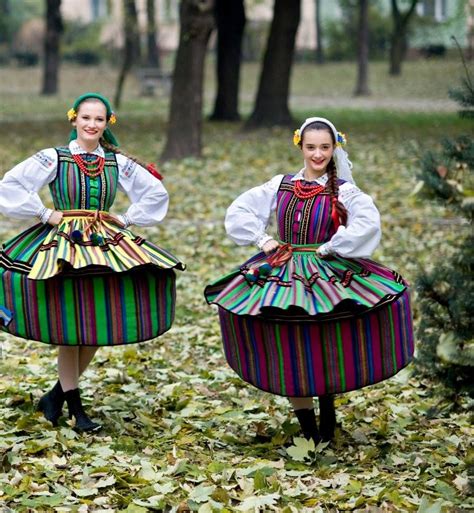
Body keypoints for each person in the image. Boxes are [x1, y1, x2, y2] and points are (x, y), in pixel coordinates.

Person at [205, 117, 414, 444]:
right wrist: (263, 240)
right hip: (284, 270)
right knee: (289, 342)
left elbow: (367, 223)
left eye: (325, 148)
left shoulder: (344, 191)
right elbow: (240, 211)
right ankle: (309, 429)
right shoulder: (280, 185)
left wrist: (332, 245)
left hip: (325, 269)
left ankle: (328, 413)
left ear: (334, 149)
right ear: (300, 146)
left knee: (326, 337)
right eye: (311, 147)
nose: (318, 154)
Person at [0, 92, 185, 432]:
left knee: (96, 322)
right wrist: (45, 213)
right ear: (74, 119)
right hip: (65, 243)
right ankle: (76, 408)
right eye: (86, 118)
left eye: (99, 119)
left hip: (104, 242)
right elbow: (11, 184)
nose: (92, 124)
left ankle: (55, 396)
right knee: (72, 325)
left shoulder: (118, 162)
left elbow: (156, 193)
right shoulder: (53, 158)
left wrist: (126, 220)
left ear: (107, 123)